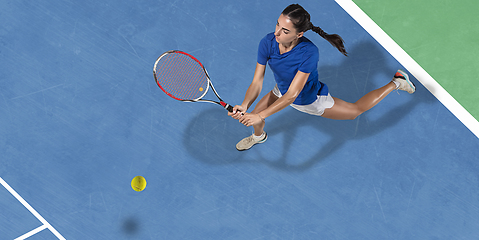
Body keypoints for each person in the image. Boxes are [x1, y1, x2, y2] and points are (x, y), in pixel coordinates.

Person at [229, 4, 415, 151]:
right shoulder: (268, 42)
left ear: (299, 34)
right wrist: (245, 105)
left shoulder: (309, 52)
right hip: (282, 88)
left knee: (355, 111)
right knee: (254, 117)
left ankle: (396, 82)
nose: (277, 32)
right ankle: (258, 137)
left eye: (285, 31)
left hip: (307, 99)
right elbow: (257, 81)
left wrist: (259, 114)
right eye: (278, 24)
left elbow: (293, 95)